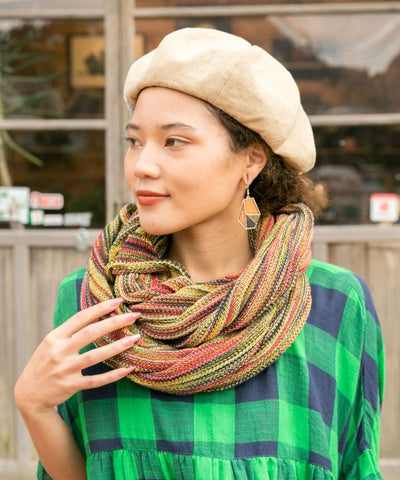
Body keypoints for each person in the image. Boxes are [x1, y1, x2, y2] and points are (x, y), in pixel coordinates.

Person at [14, 28, 384, 480]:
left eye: (174, 141)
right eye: (135, 141)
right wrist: (34, 407)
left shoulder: (333, 305)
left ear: (251, 160)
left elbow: (354, 466)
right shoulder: (96, 302)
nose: (142, 165)